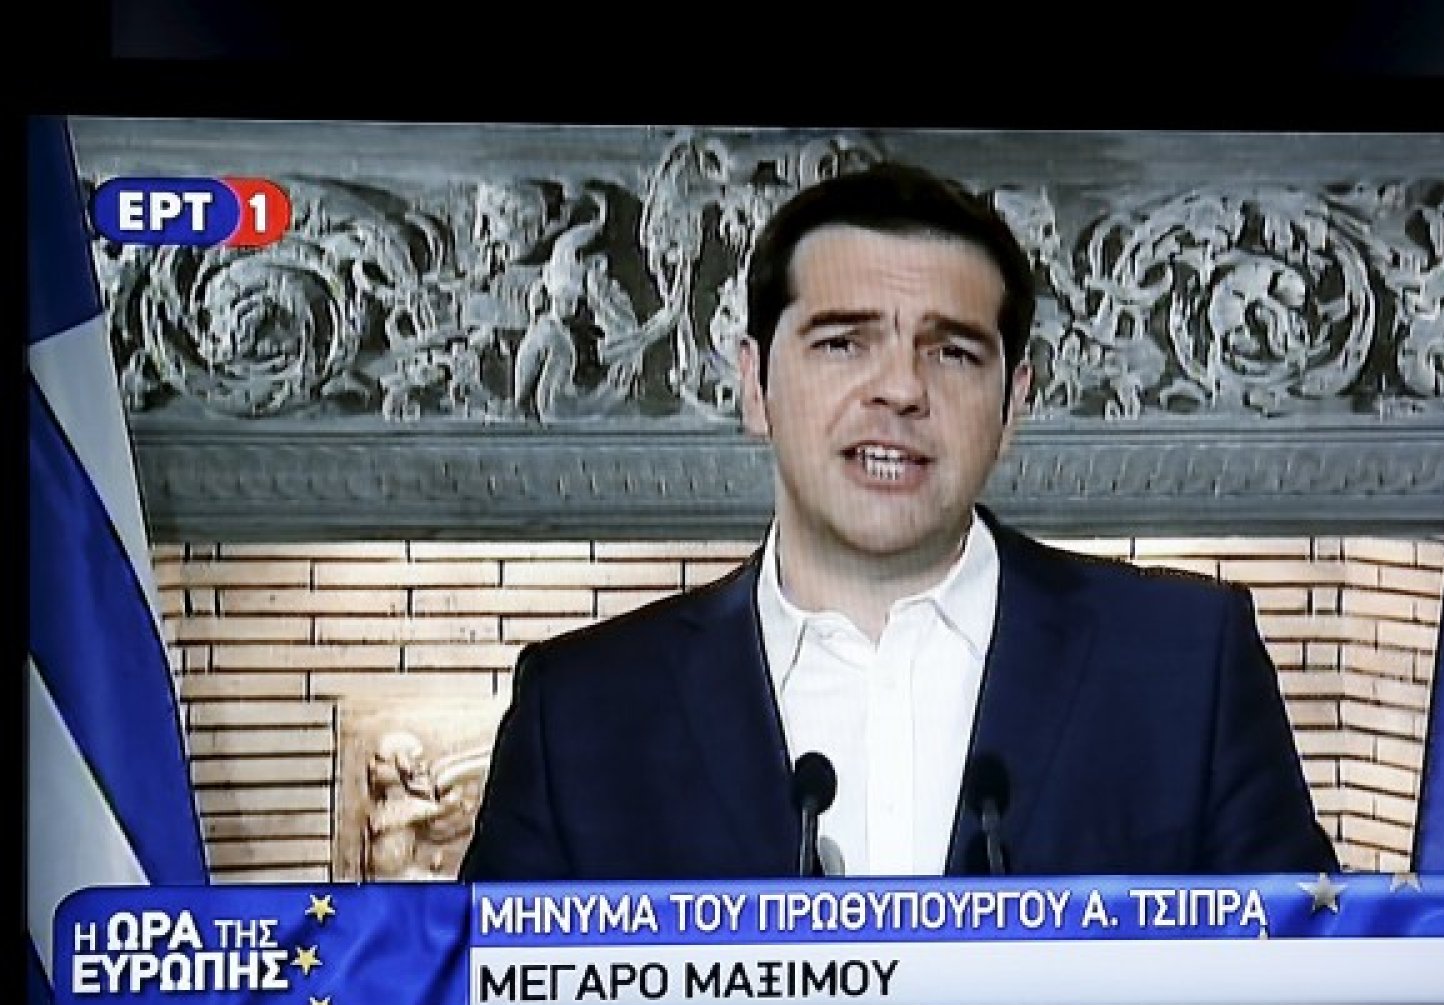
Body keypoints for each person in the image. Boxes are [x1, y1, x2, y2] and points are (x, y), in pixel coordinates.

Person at [459, 161, 1340, 881]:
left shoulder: (1187, 663)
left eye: (952, 351)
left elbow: (1304, 982)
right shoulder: (582, 710)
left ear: (1014, 402)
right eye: (843, 342)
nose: (900, 389)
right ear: (754, 386)